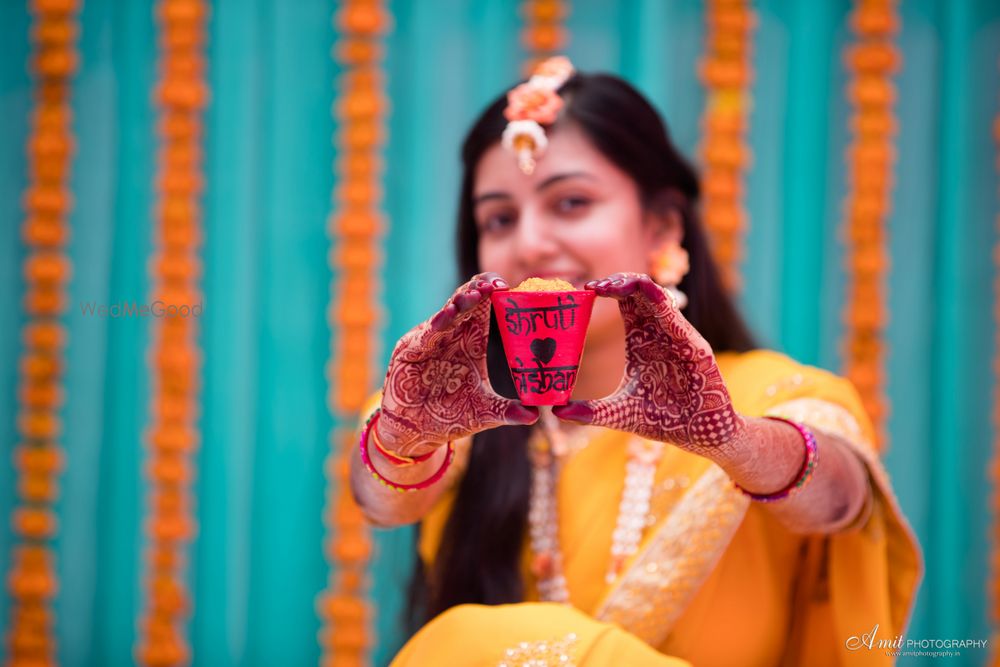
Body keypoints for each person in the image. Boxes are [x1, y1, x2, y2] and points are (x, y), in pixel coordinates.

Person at [349, 57, 921, 666]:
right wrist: (401, 436)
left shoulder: (770, 396)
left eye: (570, 202)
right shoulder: (462, 409)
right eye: (499, 218)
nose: (530, 243)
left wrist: (731, 441)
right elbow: (384, 502)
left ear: (662, 226)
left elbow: (840, 502)